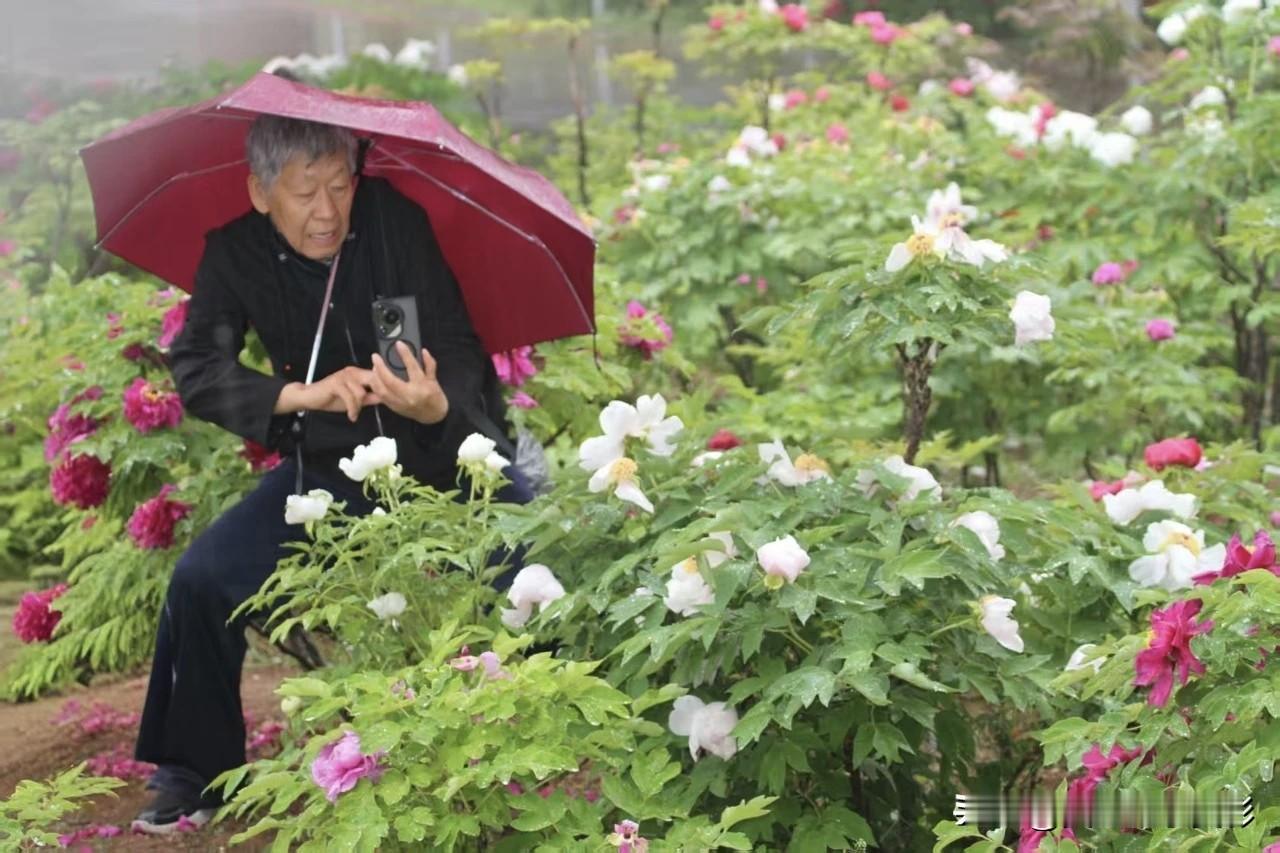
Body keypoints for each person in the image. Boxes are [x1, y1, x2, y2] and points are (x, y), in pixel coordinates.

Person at [130, 113, 529, 834]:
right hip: (331, 469)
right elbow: (197, 368)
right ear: (260, 193)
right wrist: (300, 395)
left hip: (443, 452)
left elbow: (459, 346)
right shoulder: (234, 254)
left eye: (340, 185)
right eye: (304, 190)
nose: (327, 210)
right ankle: (193, 770)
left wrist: (434, 403)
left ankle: (539, 739)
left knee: (534, 559)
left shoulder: (394, 222)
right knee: (202, 577)